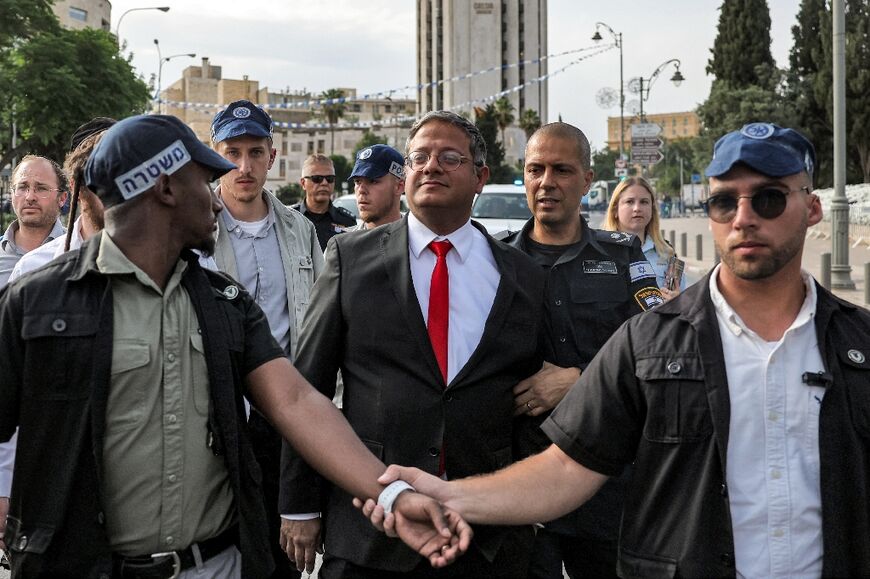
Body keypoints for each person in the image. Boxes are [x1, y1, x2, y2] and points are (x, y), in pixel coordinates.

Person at [364, 122, 870, 578]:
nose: (743, 218)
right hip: (528, 474)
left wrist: (578, 378)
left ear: (812, 208)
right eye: (723, 201)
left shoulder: (857, 345)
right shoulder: (650, 340)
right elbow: (564, 466)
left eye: (769, 198)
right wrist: (446, 492)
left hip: (610, 504)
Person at [0, 114, 470, 579]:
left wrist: (391, 495)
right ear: (165, 188)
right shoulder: (36, 302)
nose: (217, 200)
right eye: (205, 182)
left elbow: (297, 400)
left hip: (215, 566)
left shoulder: (225, 304)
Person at [280, 110, 546, 578]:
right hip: (371, 526)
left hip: (487, 534)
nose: (431, 166)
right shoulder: (350, 259)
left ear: (480, 177)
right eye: (419, 157)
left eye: (449, 157)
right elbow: (308, 389)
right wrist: (300, 506)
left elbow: (534, 392)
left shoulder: (521, 274)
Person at [499, 122, 662, 579]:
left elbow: (655, 348)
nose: (546, 182)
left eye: (562, 170)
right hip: (523, 485)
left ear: (588, 180)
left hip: (607, 482)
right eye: (536, 169)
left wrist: (580, 379)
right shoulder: (496, 262)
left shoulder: (624, 256)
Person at [208, 100, 324, 578]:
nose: (244, 166)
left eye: (255, 152)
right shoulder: (194, 229)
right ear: (213, 155)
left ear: (273, 157)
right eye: (232, 152)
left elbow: (319, 326)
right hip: (217, 418)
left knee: (284, 556)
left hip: (284, 417)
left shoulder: (300, 230)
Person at [0, 120, 115, 550]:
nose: (29, 196)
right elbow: (14, 398)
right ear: (80, 184)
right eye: (22, 186)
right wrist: (4, 485)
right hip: (53, 486)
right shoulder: (35, 274)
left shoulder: (176, 267)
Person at [603, 176, 686, 295]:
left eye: (644, 202)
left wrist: (676, 302)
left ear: (652, 209)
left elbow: (685, 305)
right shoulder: (600, 253)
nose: (637, 208)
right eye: (629, 202)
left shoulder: (667, 254)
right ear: (615, 210)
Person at [0, 155, 68, 286]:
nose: (30, 197)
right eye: (22, 187)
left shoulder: (78, 250)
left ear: (62, 198)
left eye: (42, 188)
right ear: (12, 195)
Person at [291, 154, 356, 250]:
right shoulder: (290, 219)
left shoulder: (347, 221)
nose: (324, 183)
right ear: (303, 183)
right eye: (317, 179)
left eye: (330, 179)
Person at [349, 144, 405, 230]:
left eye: (372, 181)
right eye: (357, 181)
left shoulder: (422, 240)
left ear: (399, 186)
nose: (361, 190)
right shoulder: (344, 242)